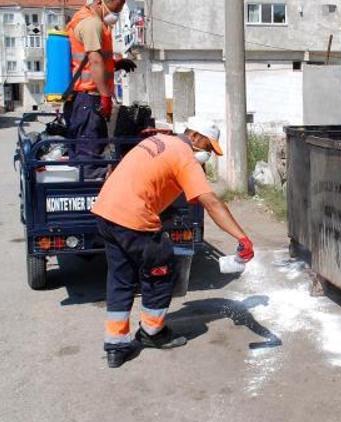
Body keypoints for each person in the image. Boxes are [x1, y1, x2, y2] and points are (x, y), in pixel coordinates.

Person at [91, 119, 255, 368]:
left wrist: (159, 211)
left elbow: (139, 177)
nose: (207, 154)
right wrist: (242, 237)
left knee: (120, 277)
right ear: (196, 136)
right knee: (161, 267)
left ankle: (115, 345)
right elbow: (211, 203)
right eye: (208, 148)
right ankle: (152, 333)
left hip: (106, 213)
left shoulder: (156, 140)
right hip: (132, 219)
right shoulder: (185, 156)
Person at [64, 0, 137, 179]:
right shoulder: (92, 24)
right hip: (88, 99)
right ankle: (91, 194)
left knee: (83, 153)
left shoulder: (89, 21)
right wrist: (105, 97)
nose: (116, 14)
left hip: (81, 99)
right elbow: (95, 62)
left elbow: (93, 61)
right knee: (90, 162)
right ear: (99, 2)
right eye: (114, 8)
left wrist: (116, 64)